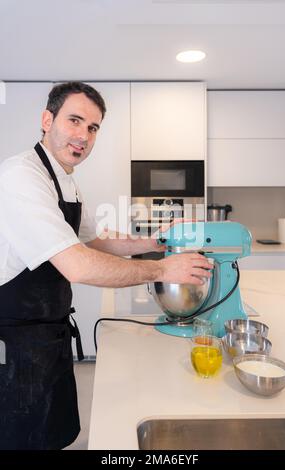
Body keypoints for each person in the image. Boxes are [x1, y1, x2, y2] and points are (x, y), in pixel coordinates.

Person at [0, 82, 213, 450]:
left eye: (93, 127)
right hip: (15, 338)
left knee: (51, 434)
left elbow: (92, 240)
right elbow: (78, 265)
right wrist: (163, 270)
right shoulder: (21, 177)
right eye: (75, 120)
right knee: (20, 436)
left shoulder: (66, 180)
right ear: (47, 119)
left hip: (48, 332)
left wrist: (155, 242)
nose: (83, 135)